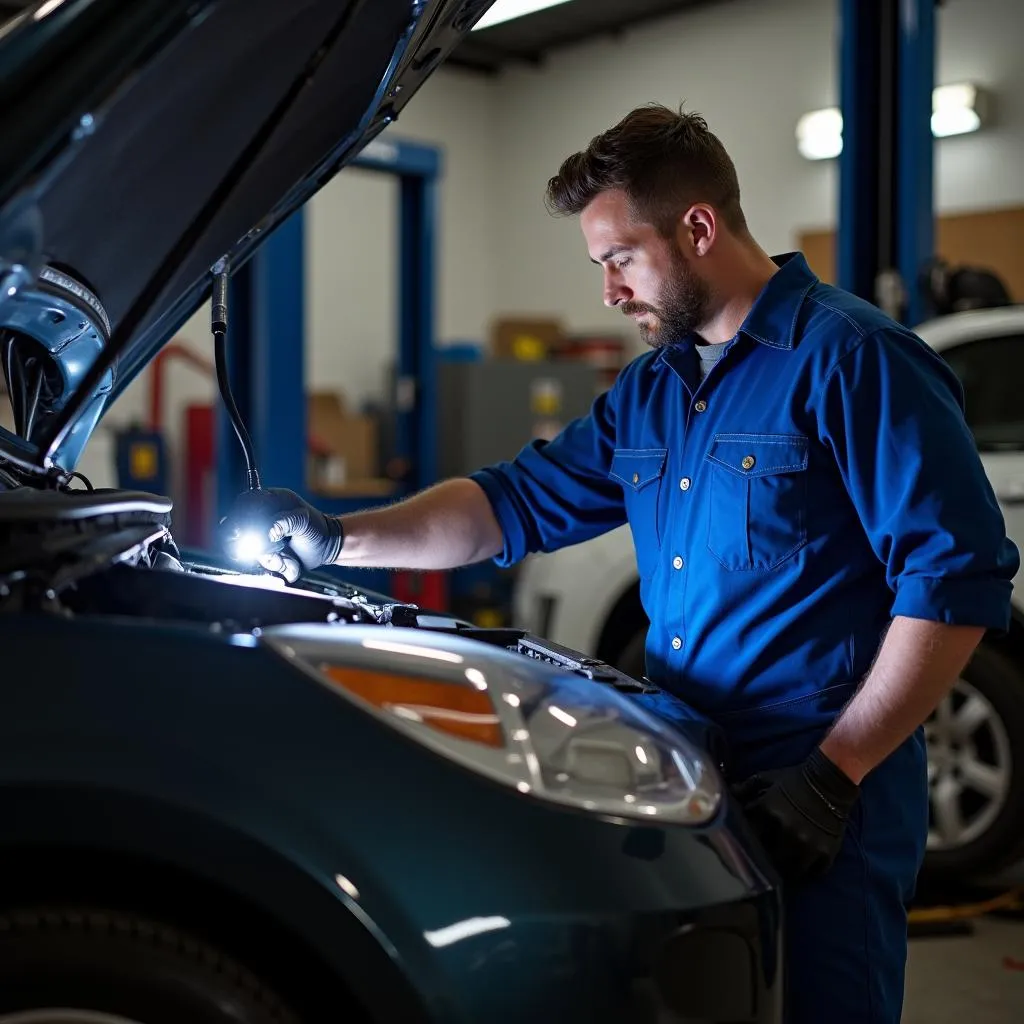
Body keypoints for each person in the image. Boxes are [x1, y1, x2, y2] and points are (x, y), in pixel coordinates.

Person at [227, 104, 1020, 1023]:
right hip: (697, 772)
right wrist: (338, 539)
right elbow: (507, 506)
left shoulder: (854, 360)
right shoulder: (651, 390)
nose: (607, 291)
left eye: (619, 259)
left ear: (697, 226)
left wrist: (834, 776)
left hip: (826, 792)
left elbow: (954, 585)